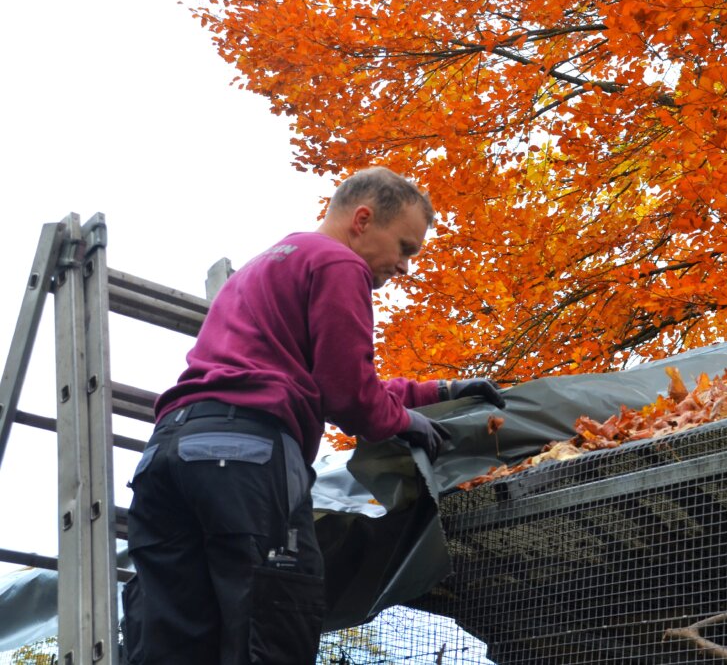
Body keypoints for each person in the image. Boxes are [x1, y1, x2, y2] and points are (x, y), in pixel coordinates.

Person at [123, 167, 504, 664]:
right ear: (363, 219)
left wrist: (439, 391)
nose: (405, 266)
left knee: (174, 638)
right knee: (274, 618)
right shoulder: (339, 264)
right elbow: (346, 394)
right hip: (246, 459)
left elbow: (322, 377)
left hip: (168, 457)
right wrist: (405, 423)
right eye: (405, 248)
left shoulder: (267, 265)